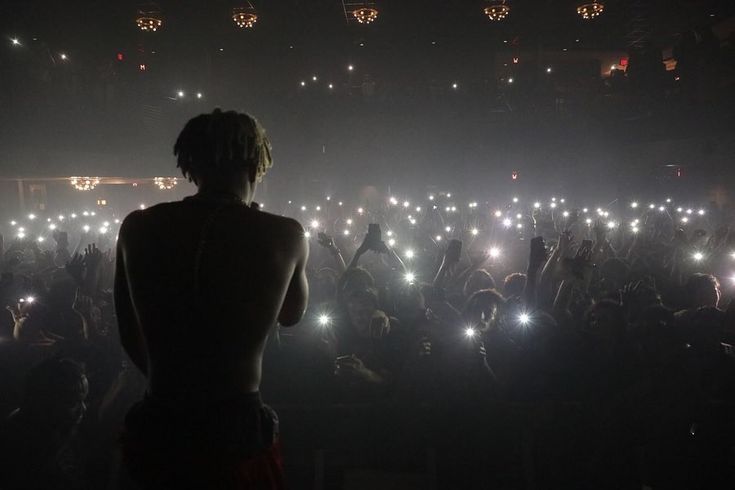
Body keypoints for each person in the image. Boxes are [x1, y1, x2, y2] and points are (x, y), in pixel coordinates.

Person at [114, 109, 309, 489]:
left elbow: (127, 332)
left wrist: (171, 384)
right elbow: (292, 315)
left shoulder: (138, 227)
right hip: (235, 426)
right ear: (257, 165)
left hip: (161, 420)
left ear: (190, 164)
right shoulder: (284, 234)